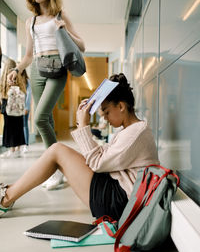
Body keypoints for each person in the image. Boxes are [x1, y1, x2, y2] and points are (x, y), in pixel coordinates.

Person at [0, 73, 159, 220]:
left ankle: (6, 198)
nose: (105, 119)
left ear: (121, 106)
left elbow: (97, 163)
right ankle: (9, 192)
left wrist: (83, 125)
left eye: (106, 112)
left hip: (117, 201)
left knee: (57, 151)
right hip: (115, 191)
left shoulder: (136, 132)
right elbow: (105, 157)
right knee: (60, 152)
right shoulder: (133, 130)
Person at [7, 0, 85, 189]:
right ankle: (57, 169)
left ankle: (56, 169)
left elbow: (81, 46)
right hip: (37, 70)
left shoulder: (60, 15)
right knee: (46, 118)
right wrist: (16, 70)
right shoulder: (30, 22)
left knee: (39, 119)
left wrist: (64, 29)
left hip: (58, 68)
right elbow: (28, 56)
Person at [0, 58, 26, 158]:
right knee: (18, 127)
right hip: (18, 107)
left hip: (7, 106)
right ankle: (18, 148)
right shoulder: (17, 76)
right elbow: (23, 91)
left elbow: (2, 93)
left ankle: (11, 149)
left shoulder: (4, 77)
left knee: (9, 127)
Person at [20, 68, 32, 153]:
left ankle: (26, 145)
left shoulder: (27, 81)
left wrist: (27, 107)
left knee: (24, 126)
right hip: (17, 107)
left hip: (24, 107)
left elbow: (29, 94)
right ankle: (19, 145)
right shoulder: (16, 80)